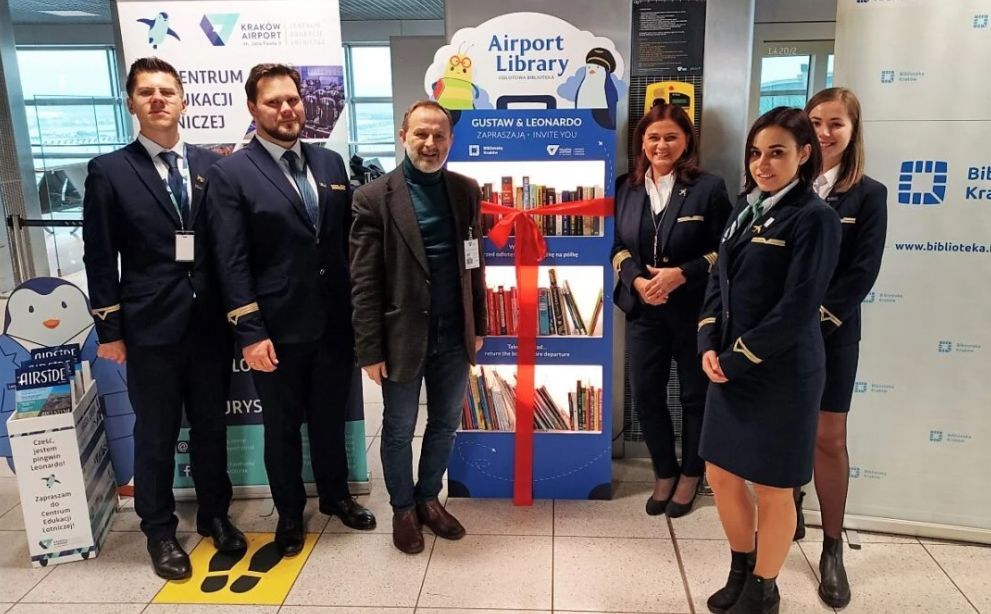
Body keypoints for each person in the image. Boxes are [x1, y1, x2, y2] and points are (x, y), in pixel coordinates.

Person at [204, 63, 375, 557]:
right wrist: (250, 331)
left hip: (333, 323)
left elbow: (341, 244)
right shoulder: (231, 173)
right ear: (253, 108)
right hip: (274, 330)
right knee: (281, 427)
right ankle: (289, 513)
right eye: (274, 102)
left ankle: (336, 496)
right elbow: (231, 260)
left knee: (329, 417)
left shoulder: (330, 164)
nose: (286, 109)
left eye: (293, 100)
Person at [83, 57, 244, 579]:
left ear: (183, 101)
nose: (158, 99)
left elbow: (227, 245)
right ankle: (158, 530)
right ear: (131, 102)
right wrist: (109, 330)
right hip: (149, 327)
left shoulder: (213, 165)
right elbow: (99, 257)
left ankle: (215, 515)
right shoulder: (109, 171)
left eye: (167, 91)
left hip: (210, 325)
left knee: (211, 427)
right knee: (155, 432)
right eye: (146, 92)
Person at [697, 107, 841, 614]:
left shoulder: (815, 218)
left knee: (774, 487)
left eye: (777, 153)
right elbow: (718, 281)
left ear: (804, 155)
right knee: (720, 474)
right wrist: (707, 342)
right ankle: (741, 568)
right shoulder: (746, 207)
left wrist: (737, 358)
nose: (762, 163)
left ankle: (764, 589)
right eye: (756, 153)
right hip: (728, 366)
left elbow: (798, 306)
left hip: (782, 373)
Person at [350, 100, 487, 555]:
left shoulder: (465, 190)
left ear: (451, 140)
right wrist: (370, 350)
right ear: (403, 136)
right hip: (401, 337)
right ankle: (403, 509)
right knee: (398, 428)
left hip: (454, 335)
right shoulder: (373, 197)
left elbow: (475, 264)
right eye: (421, 134)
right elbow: (364, 282)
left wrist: (478, 324)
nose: (430, 144)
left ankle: (429, 498)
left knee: (445, 423)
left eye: (439, 135)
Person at [611, 102, 732, 518]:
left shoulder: (708, 188)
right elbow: (616, 246)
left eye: (670, 137)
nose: (661, 145)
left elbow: (725, 250)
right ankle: (664, 470)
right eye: (653, 137)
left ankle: (690, 475)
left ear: (686, 142)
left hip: (694, 311)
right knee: (646, 394)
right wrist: (637, 281)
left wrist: (683, 274)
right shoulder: (625, 187)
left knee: (695, 396)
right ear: (641, 142)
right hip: (644, 309)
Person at [794, 87, 887, 608]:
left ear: (853, 132)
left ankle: (832, 546)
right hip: (777, 336)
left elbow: (862, 272)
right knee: (785, 428)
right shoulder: (783, 183)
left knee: (828, 438)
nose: (825, 132)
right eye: (816, 122)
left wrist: (813, 323)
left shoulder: (868, 194)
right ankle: (787, 505)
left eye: (836, 123)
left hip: (832, 333)